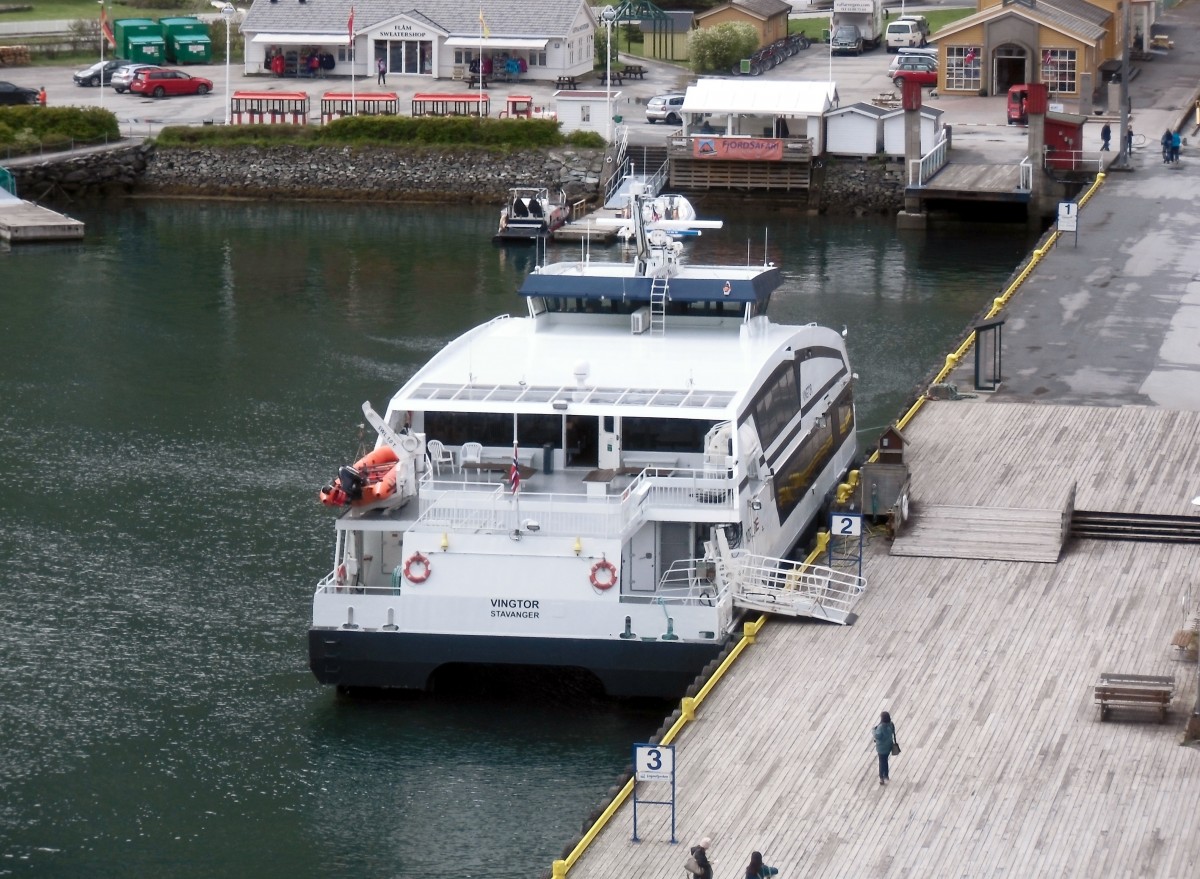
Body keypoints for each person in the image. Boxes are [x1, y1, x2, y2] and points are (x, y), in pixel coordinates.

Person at [872, 710, 897, 785]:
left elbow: (877, 736)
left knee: (881, 762)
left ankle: (881, 778)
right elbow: (893, 732)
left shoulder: (881, 727)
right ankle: (886, 775)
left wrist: (873, 730)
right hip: (888, 746)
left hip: (881, 748)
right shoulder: (891, 724)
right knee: (885, 761)